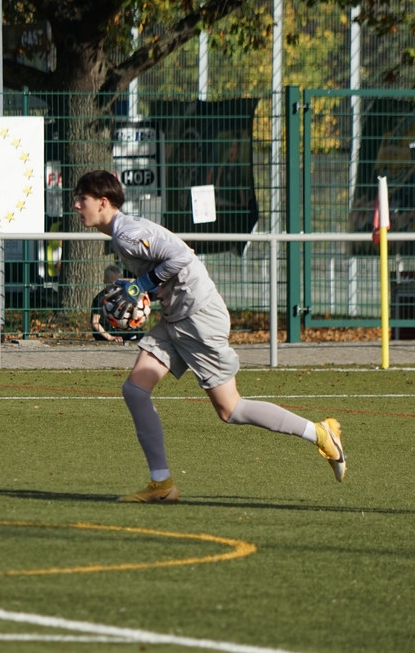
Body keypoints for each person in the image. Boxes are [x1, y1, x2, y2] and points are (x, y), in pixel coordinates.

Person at [72, 170, 345, 502]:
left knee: (231, 409)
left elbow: (182, 256)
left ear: (103, 202)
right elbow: (168, 270)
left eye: (82, 199)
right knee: (135, 390)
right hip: (178, 318)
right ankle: (162, 484)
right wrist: (144, 295)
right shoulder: (122, 233)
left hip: (198, 319)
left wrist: (141, 285)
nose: (76, 205)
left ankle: (319, 433)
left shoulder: (128, 233)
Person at [92, 264, 143, 343]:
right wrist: (110, 337)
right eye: (112, 283)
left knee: (140, 333)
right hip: (107, 332)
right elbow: (95, 322)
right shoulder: (100, 298)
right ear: (105, 281)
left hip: (121, 329)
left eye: (118, 282)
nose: (115, 286)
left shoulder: (124, 296)